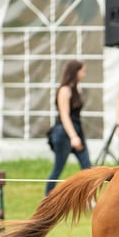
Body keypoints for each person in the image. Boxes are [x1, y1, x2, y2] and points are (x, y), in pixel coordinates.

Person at [45, 60, 91, 196]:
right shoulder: (65, 90)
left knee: (88, 168)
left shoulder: (77, 89)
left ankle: (89, 198)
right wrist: (73, 137)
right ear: (75, 72)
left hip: (77, 130)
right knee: (58, 168)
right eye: (82, 71)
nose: (84, 74)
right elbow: (64, 116)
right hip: (64, 133)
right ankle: (47, 198)